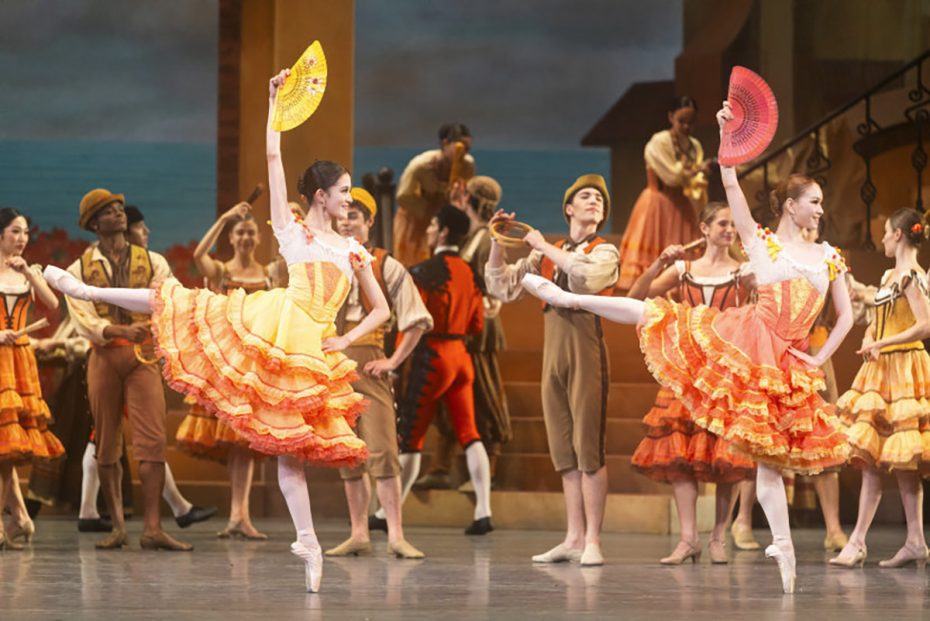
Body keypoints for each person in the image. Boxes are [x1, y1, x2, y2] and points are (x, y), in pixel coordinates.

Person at [43, 68, 390, 593]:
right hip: (273, 324)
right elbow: (273, 160)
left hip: (312, 346)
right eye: (344, 191)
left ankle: (308, 542)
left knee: (290, 448)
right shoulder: (293, 235)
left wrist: (343, 339)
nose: (351, 199)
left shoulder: (354, 250)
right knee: (182, 301)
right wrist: (273, 104)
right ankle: (89, 292)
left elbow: (381, 309)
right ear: (321, 195)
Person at [518, 102, 854, 593]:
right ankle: (566, 294)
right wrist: (724, 135)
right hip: (748, 338)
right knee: (658, 314)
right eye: (815, 201)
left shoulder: (828, 255)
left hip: (788, 359)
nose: (821, 210)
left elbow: (844, 315)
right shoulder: (761, 243)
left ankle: (782, 543)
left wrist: (821, 358)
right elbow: (732, 184)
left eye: (821, 203)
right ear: (790, 205)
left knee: (768, 462)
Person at [486, 174, 619, 566]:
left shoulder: (603, 250)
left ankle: (593, 539)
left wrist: (543, 245)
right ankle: (573, 537)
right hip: (553, 355)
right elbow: (502, 287)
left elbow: (585, 277)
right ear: (569, 208)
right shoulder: (547, 254)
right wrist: (499, 240)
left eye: (599, 197)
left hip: (586, 351)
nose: (594, 200)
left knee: (589, 449)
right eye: (585, 195)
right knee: (564, 449)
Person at [52, 189, 192, 552]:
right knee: (106, 442)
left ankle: (152, 528)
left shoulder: (153, 261)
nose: (118, 214)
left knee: (152, 441)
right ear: (94, 223)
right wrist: (117, 330)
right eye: (109, 211)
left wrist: (152, 325)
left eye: (119, 209)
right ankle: (117, 526)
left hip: (142, 356)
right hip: (104, 356)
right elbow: (82, 318)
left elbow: (169, 296)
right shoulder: (78, 269)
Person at [626, 203, 755, 564]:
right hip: (685, 370)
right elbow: (636, 298)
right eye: (723, 223)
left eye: (733, 225)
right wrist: (659, 264)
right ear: (705, 227)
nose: (729, 230)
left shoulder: (743, 271)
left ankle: (717, 537)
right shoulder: (684, 270)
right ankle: (687, 539)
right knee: (680, 453)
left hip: (726, 372)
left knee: (725, 457)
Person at [326, 187, 432, 559]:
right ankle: (358, 533)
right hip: (334, 368)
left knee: (383, 450)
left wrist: (393, 361)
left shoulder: (386, 265)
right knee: (347, 452)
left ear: (370, 222)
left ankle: (395, 534)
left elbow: (417, 320)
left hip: (370, 362)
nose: (347, 221)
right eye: (343, 214)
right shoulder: (326, 263)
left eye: (355, 215)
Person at [831, 208, 930, 569]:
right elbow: (878, 317)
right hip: (883, 368)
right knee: (872, 457)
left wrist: (883, 344)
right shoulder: (890, 275)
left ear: (899, 235)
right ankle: (903, 541)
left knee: (903, 462)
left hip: (905, 366)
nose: (883, 238)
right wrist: (872, 335)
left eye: (887, 232)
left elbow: (924, 325)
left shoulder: (911, 278)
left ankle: (874, 542)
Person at [175, 200, 277, 540]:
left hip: (255, 363)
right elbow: (198, 255)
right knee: (234, 441)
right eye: (240, 232)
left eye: (250, 232)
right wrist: (223, 218)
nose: (245, 237)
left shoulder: (270, 273)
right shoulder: (220, 271)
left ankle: (240, 514)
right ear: (231, 238)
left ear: (258, 238)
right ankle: (238, 514)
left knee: (245, 442)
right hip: (227, 363)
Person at [394, 204, 493, 535]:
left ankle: (386, 511)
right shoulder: (470, 273)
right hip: (462, 356)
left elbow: (410, 324)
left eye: (433, 224)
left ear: (444, 231)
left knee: (412, 437)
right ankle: (483, 510)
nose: (428, 230)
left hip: (432, 357)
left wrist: (395, 363)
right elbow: (478, 324)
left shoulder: (422, 273)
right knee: (470, 432)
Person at [417, 176, 512, 492]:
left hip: (479, 326)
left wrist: (484, 303)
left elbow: (494, 286)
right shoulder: (470, 236)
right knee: (448, 396)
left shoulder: (486, 239)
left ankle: (489, 468)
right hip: (459, 327)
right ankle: (441, 465)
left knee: (483, 393)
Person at [0, 208, 64, 549]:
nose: (22, 238)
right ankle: (21, 517)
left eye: (25, 232)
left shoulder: (28, 270)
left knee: (7, 445)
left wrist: (29, 272)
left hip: (19, 362)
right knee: (3, 446)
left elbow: (53, 303)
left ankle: (13, 519)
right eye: (14, 231)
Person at [617, 96, 710, 290]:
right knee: (654, 256)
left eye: (690, 122)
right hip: (657, 203)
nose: (686, 127)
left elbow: (693, 182)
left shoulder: (694, 145)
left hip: (681, 204)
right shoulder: (659, 142)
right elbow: (672, 176)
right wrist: (696, 170)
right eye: (681, 121)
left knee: (683, 258)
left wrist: (701, 175)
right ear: (670, 117)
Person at [393, 123, 475, 266]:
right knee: (412, 264)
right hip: (415, 219)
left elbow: (467, 191)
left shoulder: (467, 166)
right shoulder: (421, 165)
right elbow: (403, 196)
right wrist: (430, 209)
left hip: (444, 220)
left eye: (467, 148)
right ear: (445, 143)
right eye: (461, 147)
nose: (464, 153)